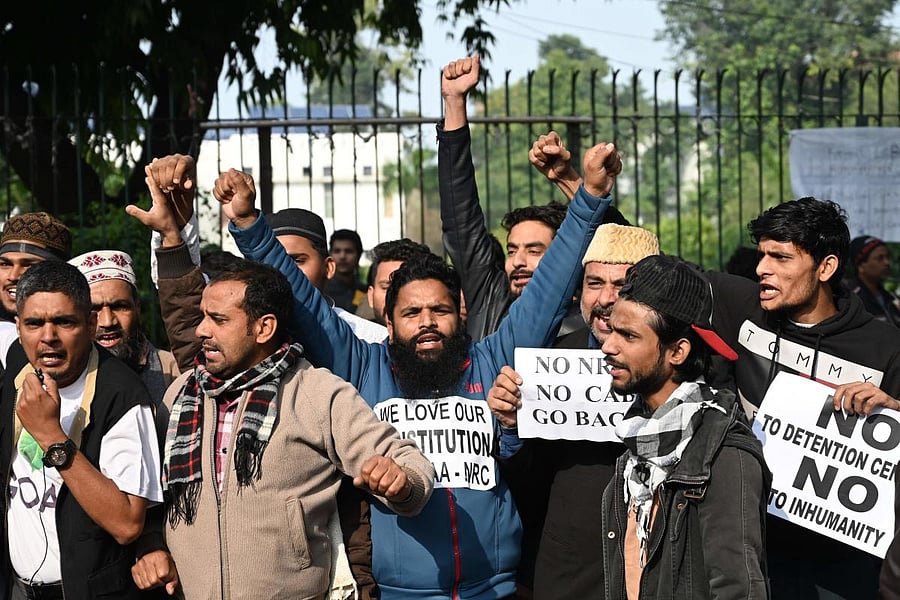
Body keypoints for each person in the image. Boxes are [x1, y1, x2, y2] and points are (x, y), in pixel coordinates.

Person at [217, 135, 620, 599]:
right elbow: (304, 303)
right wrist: (249, 224)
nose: (427, 323)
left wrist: (589, 195)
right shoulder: (361, 366)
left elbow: (550, 287)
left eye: (440, 311)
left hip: (496, 590)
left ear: (461, 313)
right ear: (387, 321)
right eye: (411, 313)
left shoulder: (491, 358)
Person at [130, 259, 434, 599]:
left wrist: (401, 482)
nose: (202, 330)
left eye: (218, 319)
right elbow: (150, 499)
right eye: (203, 316)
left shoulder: (318, 393)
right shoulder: (182, 395)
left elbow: (408, 462)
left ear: (264, 328)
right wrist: (151, 545)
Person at [705, 198, 900, 598]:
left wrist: (897, 411)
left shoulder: (886, 347)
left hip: (848, 569)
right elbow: (657, 270)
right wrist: (584, 192)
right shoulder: (745, 309)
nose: (762, 268)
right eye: (762, 255)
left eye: (780, 257)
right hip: (754, 552)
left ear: (826, 267)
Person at [488, 222, 659, 598]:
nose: (606, 298)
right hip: (569, 575)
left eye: (623, 285)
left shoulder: (681, 368)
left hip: (655, 572)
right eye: (594, 283)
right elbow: (526, 487)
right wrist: (513, 426)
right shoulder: (548, 361)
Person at [598, 254, 768, 599]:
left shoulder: (724, 454)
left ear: (678, 352)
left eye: (628, 336)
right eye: (611, 329)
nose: (608, 346)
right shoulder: (637, 442)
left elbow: (738, 589)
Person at [0, 260, 163, 599]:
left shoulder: (122, 394)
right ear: (17, 327)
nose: (48, 337)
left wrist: (51, 437)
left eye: (64, 322)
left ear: (90, 325)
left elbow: (127, 524)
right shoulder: (19, 361)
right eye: (34, 323)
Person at [438, 56, 627, 342]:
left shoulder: (597, 321)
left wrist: (570, 180)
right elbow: (460, 219)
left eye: (535, 251)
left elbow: (624, 247)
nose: (519, 262)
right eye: (512, 251)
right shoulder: (491, 302)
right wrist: (453, 103)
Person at [68, 250, 179, 411]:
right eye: (94, 309)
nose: (108, 321)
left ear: (138, 308)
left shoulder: (173, 372)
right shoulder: (62, 377)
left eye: (120, 306)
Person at [362, 238, 434, 325]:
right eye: (386, 287)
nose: (394, 296)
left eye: (404, 285)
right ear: (371, 296)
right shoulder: (353, 336)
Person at [846, 235, 900, 328]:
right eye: (880, 258)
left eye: (887, 257)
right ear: (861, 266)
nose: (887, 263)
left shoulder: (889, 297)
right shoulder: (850, 299)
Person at [326, 229, 367, 313]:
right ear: (330, 255)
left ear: (358, 255)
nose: (342, 256)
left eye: (348, 251)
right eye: (337, 251)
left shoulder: (366, 292)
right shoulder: (321, 291)